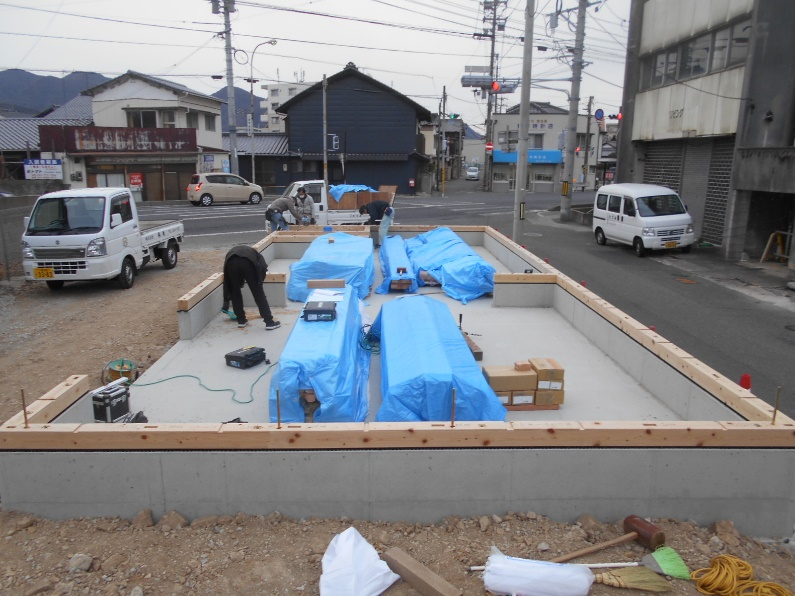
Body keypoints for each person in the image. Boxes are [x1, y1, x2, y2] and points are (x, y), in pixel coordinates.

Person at [223, 245, 280, 330]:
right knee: (258, 293)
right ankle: (269, 322)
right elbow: (263, 267)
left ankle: (241, 320)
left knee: (235, 292)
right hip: (248, 263)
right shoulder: (257, 255)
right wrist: (259, 282)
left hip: (231, 263)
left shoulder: (235, 251)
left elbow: (227, 280)